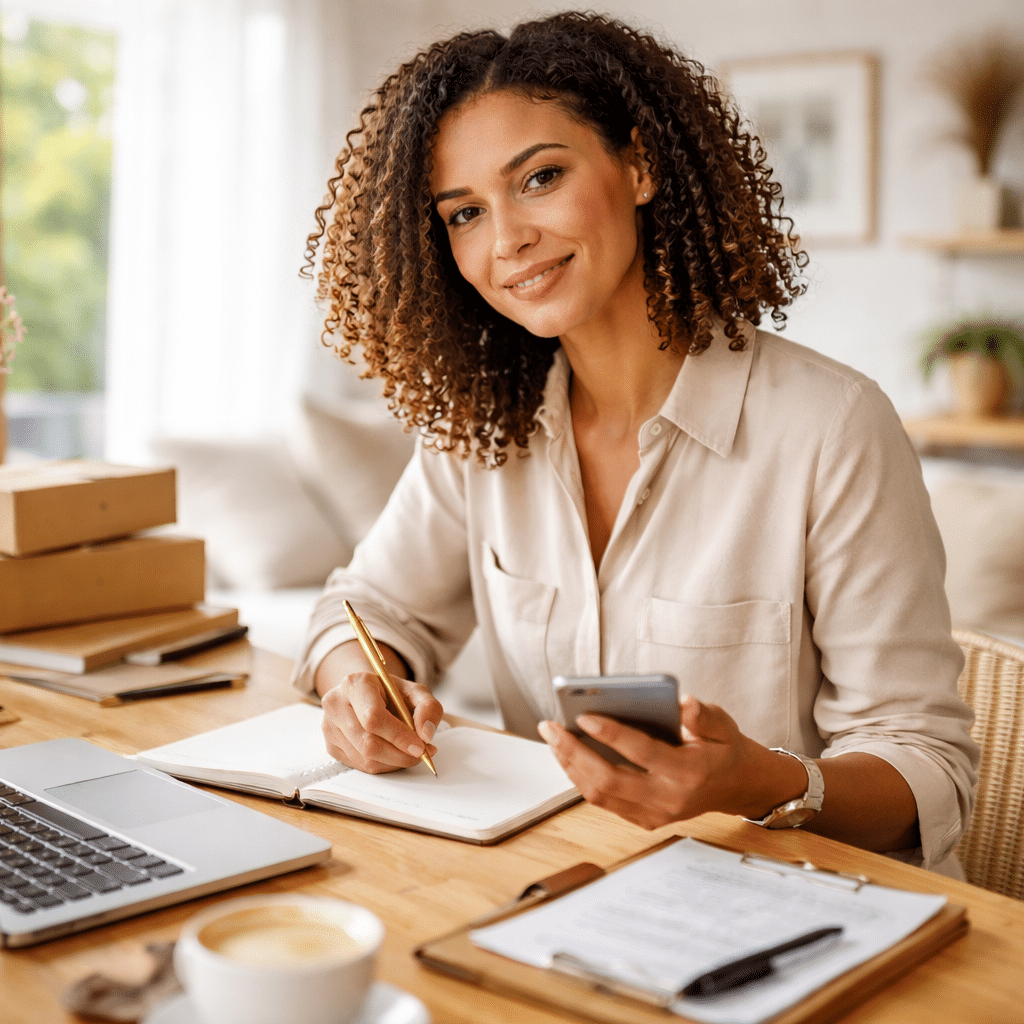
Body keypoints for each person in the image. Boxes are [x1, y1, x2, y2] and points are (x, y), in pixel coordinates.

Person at [295, 12, 977, 875]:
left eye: (540, 177)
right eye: (465, 212)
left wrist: (753, 781)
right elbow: (364, 609)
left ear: (641, 164)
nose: (506, 239)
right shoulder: (483, 429)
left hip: (793, 911)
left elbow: (930, 772)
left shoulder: (832, 426)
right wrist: (359, 684)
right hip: (563, 883)